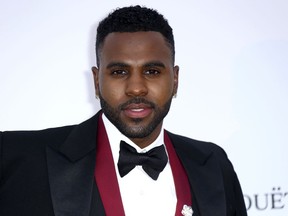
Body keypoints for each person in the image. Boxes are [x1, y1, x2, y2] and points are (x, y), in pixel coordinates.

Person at [0, 5, 247, 216]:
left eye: (152, 71)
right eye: (119, 72)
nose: (136, 88)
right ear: (97, 81)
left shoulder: (214, 164)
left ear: (175, 80)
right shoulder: (19, 160)